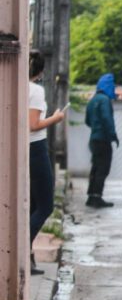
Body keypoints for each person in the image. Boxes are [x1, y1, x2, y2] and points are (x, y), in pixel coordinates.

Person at [28, 51, 65, 275]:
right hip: (35, 148)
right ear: (41, 71)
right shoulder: (36, 90)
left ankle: (27, 257)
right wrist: (56, 118)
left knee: (31, 206)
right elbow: (33, 125)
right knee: (45, 205)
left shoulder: (14, 84)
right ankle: (23, 249)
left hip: (22, 149)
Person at [84, 73, 119, 208]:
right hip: (103, 140)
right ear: (108, 86)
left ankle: (91, 196)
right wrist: (113, 135)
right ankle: (97, 198)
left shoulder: (92, 100)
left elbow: (87, 121)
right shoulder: (105, 100)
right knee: (103, 169)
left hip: (93, 140)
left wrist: (95, 128)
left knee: (95, 168)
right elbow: (107, 119)